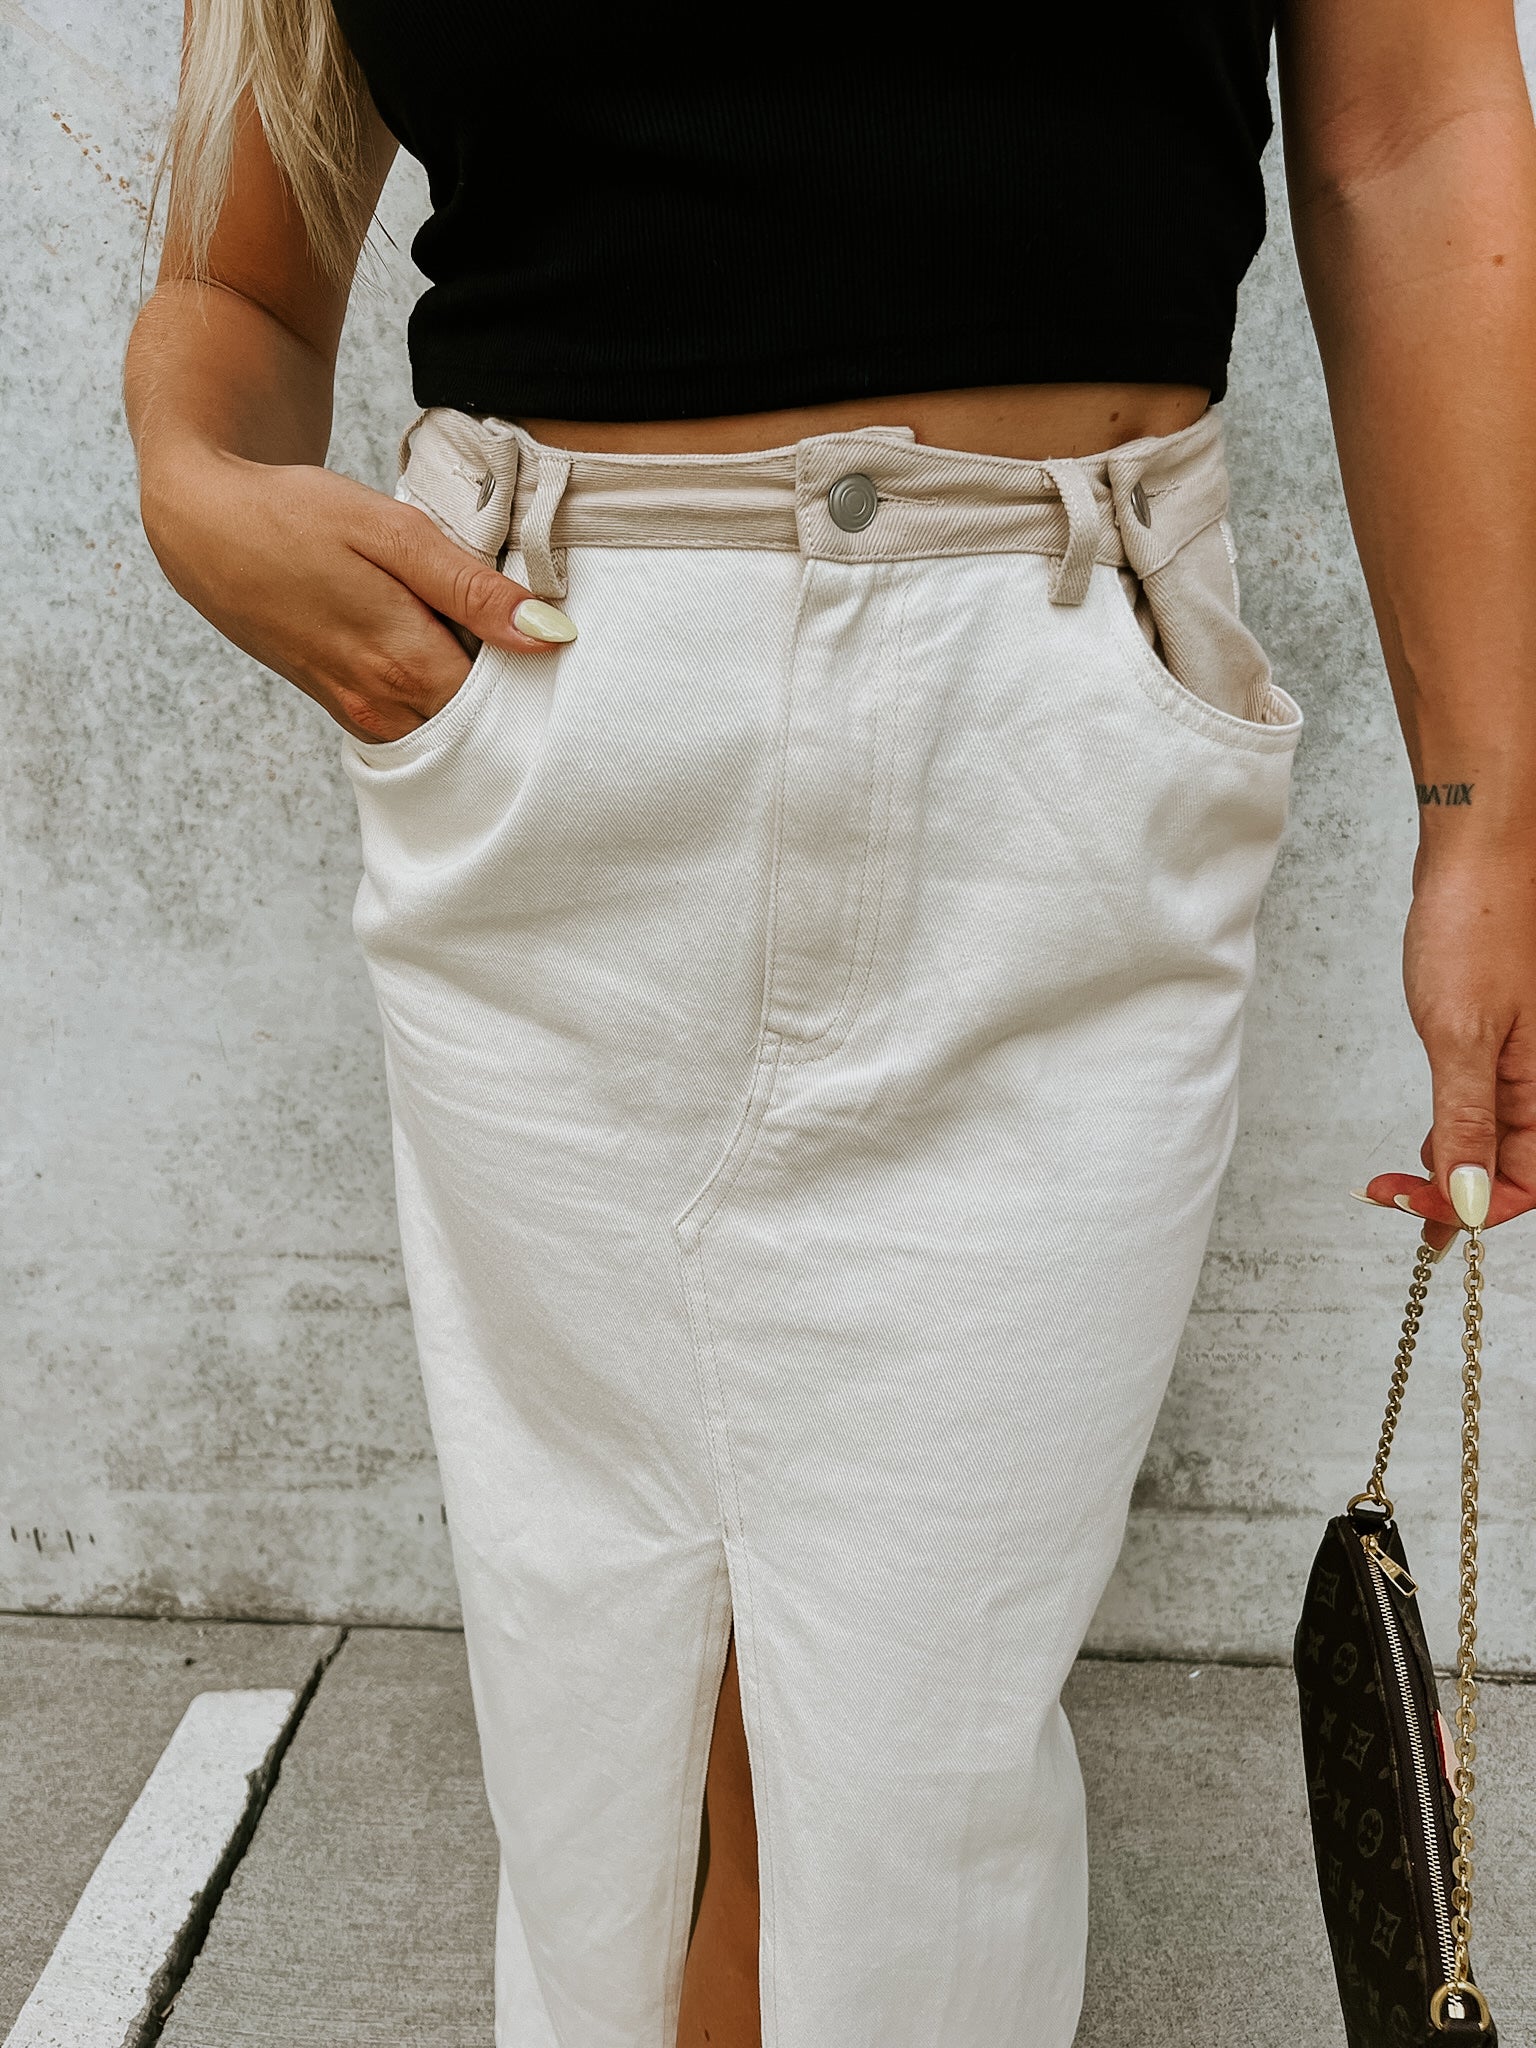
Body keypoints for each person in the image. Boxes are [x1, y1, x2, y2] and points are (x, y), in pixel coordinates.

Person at [123, 5, 1536, 2044]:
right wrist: (191, 484)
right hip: (553, 742)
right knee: (614, 1740)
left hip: (1050, 746)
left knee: (919, 1772)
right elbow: (237, 275)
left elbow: (1408, 133)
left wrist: (1486, 811)